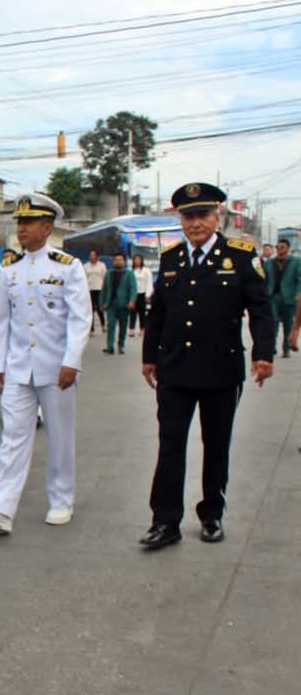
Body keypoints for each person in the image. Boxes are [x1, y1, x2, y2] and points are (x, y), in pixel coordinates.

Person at [139, 182, 273, 550]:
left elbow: (261, 310)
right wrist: (149, 357)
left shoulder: (241, 257)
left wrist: (263, 353)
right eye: (188, 217)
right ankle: (165, 521)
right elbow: (158, 313)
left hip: (220, 370)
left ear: (217, 217)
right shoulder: (171, 259)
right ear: (181, 220)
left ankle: (212, 514)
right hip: (175, 369)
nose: (195, 223)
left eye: (202, 215)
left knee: (216, 444)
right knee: (170, 445)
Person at [0, 193, 92, 534]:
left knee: (60, 438)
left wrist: (72, 361)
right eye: (19, 222)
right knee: (13, 438)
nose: (21, 228)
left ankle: (61, 500)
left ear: (47, 227)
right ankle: (0, 508)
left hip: (56, 367)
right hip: (19, 367)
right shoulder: (9, 269)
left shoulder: (67, 266)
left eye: (28, 222)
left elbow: (80, 318)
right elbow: (2, 322)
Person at [265, 238, 301, 359]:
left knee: (288, 324)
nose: (279, 249)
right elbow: (264, 279)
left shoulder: (296, 261)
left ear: (288, 248)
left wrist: (298, 293)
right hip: (273, 296)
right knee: (273, 322)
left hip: (289, 297)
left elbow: (300, 279)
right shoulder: (269, 263)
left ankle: (286, 349)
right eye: (278, 247)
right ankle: (272, 348)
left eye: (282, 247)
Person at [99, 252, 137, 355]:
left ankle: (121, 345)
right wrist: (101, 303)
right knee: (110, 325)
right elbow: (104, 289)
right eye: (116, 260)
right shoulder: (109, 274)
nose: (118, 262)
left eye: (120, 260)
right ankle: (110, 346)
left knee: (123, 326)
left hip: (124, 304)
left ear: (124, 262)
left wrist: (132, 300)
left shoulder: (129, 274)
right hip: (111, 304)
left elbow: (133, 288)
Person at [129, 253, 153, 338]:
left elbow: (149, 283)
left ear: (141, 261)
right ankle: (131, 329)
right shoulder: (131, 271)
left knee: (142, 312)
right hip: (133, 294)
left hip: (142, 293)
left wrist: (148, 294)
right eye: (135, 260)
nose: (137, 261)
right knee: (132, 312)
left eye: (138, 259)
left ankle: (142, 329)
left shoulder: (146, 270)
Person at [84, 249, 107, 335]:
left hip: (99, 289)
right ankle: (91, 329)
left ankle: (103, 324)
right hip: (89, 289)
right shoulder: (86, 266)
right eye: (91, 255)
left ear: (97, 257)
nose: (92, 257)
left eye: (93, 255)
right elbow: (83, 278)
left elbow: (105, 277)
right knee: (90, 309)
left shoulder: (102, 265)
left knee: (99, 308)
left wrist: (105, 288)